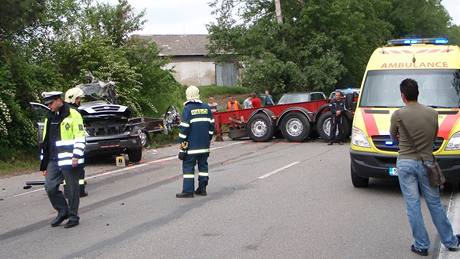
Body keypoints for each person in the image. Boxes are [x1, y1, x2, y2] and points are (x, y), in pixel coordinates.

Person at [390, 79, 459, 256]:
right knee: (434, 203)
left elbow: (392, 136)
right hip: (427, 163)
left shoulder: (398, 114)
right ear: (418, 93)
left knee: (412, 205)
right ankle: (450, 241)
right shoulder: (432, 113)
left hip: (405, 162)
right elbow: (434, 136)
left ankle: (421, 245)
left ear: (402, 95)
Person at [40, 91, 86, 228]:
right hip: (53, 160)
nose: (49, 106)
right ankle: (62, 211)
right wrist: (43, 164)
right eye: (47, 104)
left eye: (51, 103)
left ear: (59, 100)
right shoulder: (49, 116)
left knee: (72, 189)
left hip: (69, 158)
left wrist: (76, 155)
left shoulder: (73, 114)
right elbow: (46, 141)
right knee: (50, 187)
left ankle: (73, 216)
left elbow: (80, 136)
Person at [176, 85, 214, 198]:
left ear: (187, 96)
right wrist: (207, 140)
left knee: (188, 167)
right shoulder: (207, 108)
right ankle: (202, 189)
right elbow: (211, 127)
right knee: (203, 167)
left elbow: (184, 131)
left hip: (191, 147)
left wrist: (182, 147)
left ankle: (188, 191)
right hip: (204, 146)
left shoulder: (187, 109)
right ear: (198, 95)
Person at [64, 87, 88, 197]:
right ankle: (80, 191)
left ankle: (67, 191)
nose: (80, 101)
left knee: (66, 171)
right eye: (78, 98)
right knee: (79, 171)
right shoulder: (75, 112)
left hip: (64, 148)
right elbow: (79, 131)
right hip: (75, 146)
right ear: (73, 99)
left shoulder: (62, 111)